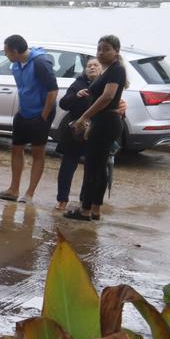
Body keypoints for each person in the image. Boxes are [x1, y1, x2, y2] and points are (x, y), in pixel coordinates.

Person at [65, 35, 128, 222]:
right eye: (99, 49)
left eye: (106, 49)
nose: (101, 53)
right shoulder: (109, 70)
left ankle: (85, 210)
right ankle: (95, 209)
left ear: (116, 51)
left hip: (106, 122)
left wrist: (85, 117)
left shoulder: (116, 70)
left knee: (94, 167)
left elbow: (108, 97)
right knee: (98, 168)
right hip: (103, 122)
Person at [0, 34, 58, 205]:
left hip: (40, 114)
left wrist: (43, 115)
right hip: (24, 112)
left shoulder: (40, 63)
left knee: (37, 152)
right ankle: (13, 190)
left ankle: (29, 193)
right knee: (15, 148)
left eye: (6, 52)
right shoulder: (16, 65)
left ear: (14, 51)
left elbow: (53, 91)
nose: (5, 56)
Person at [54, 58, 102, 211]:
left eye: (95, 65)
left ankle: (84, 201)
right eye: (89, 66)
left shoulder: (106, 85)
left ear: (102, 68)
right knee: (67, 166)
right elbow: (63, 103)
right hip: (75, 131)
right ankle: (62, 199)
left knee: (91, 168)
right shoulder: (78, 83)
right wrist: (76, 96)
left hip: (95, 131)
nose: (92, 68)